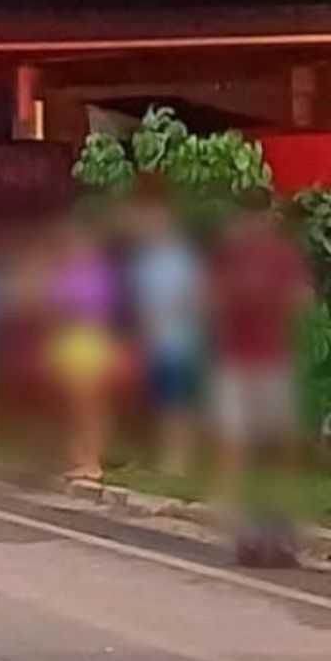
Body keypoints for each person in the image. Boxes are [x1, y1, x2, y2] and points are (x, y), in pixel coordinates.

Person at [208, 194, 313, 555]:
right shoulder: (229, 254)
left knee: (280, 440)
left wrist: (268, 297)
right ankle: (232, 507)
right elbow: (210, 299)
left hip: (272, 356)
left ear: (269, 216)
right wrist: (238, 297)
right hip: (235, 358)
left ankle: (281, 506)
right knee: (233, 436)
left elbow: (301, 297)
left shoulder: (281, 255)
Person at [125, 195, 205, 474]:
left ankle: (176, 460)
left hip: (175, 342)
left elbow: (194, 298)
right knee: (149, 404)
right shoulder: (143, 260)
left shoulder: (181, 258)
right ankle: (148, 456)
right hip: (146, 341)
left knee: (175, 403)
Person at [45, 221, 121, 483]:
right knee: (73, 404)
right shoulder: (64, 271)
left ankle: (92, 461)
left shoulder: (97, 273)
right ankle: (79, 455)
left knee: (89, 403)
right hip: (66, 340)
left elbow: (91, 308)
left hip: (87, 340)